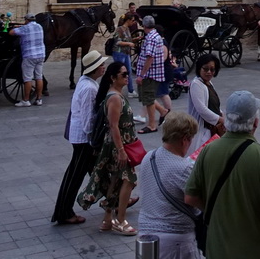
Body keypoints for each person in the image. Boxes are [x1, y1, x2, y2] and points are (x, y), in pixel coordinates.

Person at [185, 91, 260, 259]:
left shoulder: (207, 151)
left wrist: (216, 211)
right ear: (255, 123)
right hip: (255, 250)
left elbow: (190, 197)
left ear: (226, 120)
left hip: (217, 249)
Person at [79, 61, 140, 236]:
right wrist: (121, 150)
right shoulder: (114, 97)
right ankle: (120, 221)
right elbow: (113, 126)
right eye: (123, 74)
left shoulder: (116, 95)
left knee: (116, 181)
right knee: (129, 180)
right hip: (118, 145)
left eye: (127, 73)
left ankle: (107, 218)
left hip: (120, 143)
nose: (127, 76)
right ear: (113, 78)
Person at [51, 49, 108, 225]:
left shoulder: (86, 82)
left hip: (81, 138)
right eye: (102, 65)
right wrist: (93, 141)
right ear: (96, 68)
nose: (104, 67)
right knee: (75, 176)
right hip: (84, 139)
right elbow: (87, 119)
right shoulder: (89, 88)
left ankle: (116, 198)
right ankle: (64, 212)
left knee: (96, 170)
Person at [137, 111, 202, 258]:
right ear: (184, 140)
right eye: (191, 139)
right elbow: (198, 201)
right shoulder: (184, 168)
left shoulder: (149, 157)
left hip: (146, 234)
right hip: (175, 239)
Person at [187, 53, 224, 155]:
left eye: (212, 69)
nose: (209, 72)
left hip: (211, 129)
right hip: (201, 130)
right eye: (205, 69)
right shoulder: (196, 84)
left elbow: (214, 104)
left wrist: (221, 114)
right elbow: (202, 110)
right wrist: (221, 120)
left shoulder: (208, 83)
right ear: (199, 68)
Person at [135, 15, 166, 132]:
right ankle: (163, 111)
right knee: (149, 97)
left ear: (144, 26)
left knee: (148, 98)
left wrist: (141, 75)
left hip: (150, 74)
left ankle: (152, 125)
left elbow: (149, 58)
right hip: (153, 73)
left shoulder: (151, 38)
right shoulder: (155, 35)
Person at [11, 13, 45, 106]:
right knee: (39, 77)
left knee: (27, 78)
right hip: (41, 55)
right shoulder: (39, 27)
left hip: (29, 56)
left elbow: (12, 32)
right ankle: (39, 99)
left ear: (26, 20)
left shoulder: (25, 28)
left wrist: (17, 27)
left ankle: (26, 100)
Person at [112, 13, 138, 92]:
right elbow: (118, 42)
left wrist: (135, 39)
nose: (133, 22)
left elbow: (127, 40)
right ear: (128, 20)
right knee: (119, 72)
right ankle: (116, 88)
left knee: (128, 71)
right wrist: (129, 44)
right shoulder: (119, 29)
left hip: (126, 53)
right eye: (132, 20)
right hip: (119, 53)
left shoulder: (127, 29)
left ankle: (131, 90)